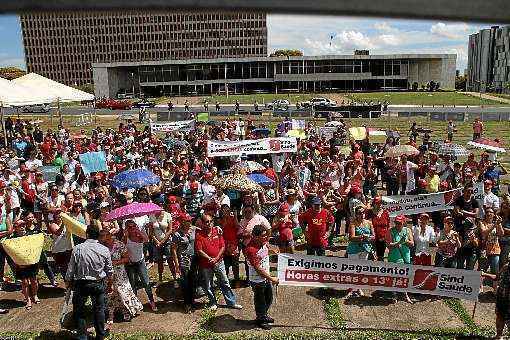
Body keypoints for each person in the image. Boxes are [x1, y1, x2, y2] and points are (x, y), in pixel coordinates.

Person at [65, 224, 113, 340]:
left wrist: (68, 283)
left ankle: (82, 336)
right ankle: (100, 335)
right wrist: (110, 285)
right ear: (98, 236)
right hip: (98, 283)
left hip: (81, 284)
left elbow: (70, 270)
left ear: (86, 234)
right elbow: (110, 271)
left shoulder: (77, 248)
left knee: (80, 310)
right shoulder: (104, 250)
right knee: (99, 310)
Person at [194, 213, 242, 310]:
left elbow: (223, 246)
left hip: (219, 262)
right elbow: (199, 250)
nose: (209, 223)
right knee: (208, 285)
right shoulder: (199, 235)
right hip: (206, 264)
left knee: (225, 282)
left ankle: (231, 302)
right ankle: (213, 303)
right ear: (203, 223)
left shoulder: (217, 231)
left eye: (211, 221)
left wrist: (216, 258)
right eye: (207, 222)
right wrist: (209, 258)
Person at [99, 230, 143, 324]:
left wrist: (115, 262)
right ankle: (111, 314)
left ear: (108, 236)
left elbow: (127, 258)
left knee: (123, 292)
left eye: (103, 237)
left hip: (120, 274)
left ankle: (126, 310)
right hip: (108, 275)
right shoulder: (101, 247)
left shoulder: (119, 245)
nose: (101, 239)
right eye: (101, 237)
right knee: (110, 294)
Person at [243, 224, 279, 330]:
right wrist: (272, 278)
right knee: (260, 301)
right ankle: (260, 320)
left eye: (266, 235)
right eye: (263, 235)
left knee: (269, 298)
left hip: (265, 278)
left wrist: (273, 252)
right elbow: (258, 269)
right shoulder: (251, 250)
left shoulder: (263, 243)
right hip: (257, 280)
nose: (266, 237)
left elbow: (266, 250)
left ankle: (264, 315)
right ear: (255, 236)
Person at [123, 219, 158, 312]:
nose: (132, 228)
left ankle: (152, 301)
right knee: (133, 285)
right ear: (126, 228)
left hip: (140, 262)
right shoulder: (125, 237)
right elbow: (122, 248)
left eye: (134, 226)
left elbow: (147, 240)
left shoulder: (140, 235)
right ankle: (134, 304)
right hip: (130, 264)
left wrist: (138, 231)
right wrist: (125, 235)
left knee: (146, 283)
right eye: (130, 227)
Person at [385, 214, 413, 303]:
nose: (397, 224)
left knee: (405, 276)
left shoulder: (408, 230)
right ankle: (394, 294)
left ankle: (404, 294)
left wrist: (405, 241)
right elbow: (388, 245)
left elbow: (412, 243)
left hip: (405, 256)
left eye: (399, 223)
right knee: (395, 276)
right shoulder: (390, 231)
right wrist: (398, 243)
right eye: (396, 222)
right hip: (394, 256)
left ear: (403, 222)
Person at [172, 213, 196, 313]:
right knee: (185, 283)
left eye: (190, 220)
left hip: (194, 259)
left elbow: (206, 228)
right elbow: (173, 250)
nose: (190, 222)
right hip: (184, 261)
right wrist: (176, 265)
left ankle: (192, 301)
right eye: (188, 220)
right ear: (182, 222)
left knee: (193, 281)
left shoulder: (193, 229)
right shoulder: (177, 234)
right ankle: (187, 303)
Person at [149, 209, 175, 282]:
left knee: (170, 260)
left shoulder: (167, 215)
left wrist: (162, 241)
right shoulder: (151, 216)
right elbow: (151, 231)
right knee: (159, 261)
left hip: (167, 242)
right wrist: (157, 241)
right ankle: (160, 279)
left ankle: (175, 278)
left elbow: (170, 230)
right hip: (156, 243)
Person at [369, 196, 390, 261]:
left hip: (383, 238)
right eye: (377, 203)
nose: (380, 205)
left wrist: (387, 237)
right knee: (372, 257)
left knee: (381, 256)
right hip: (373, 238)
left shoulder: (385, 212)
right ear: (374, 204)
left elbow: (388, 225)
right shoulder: (369, 212)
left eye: (381, 203)